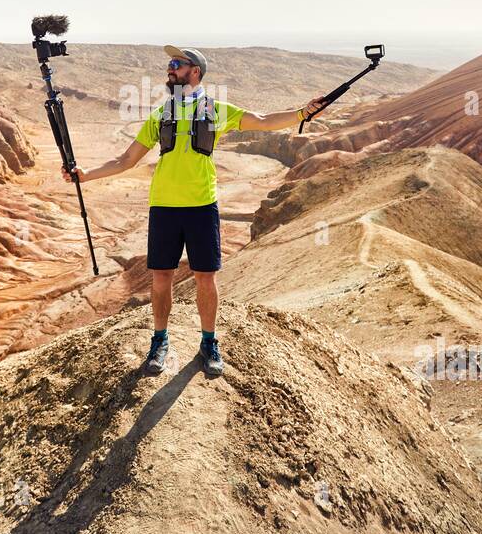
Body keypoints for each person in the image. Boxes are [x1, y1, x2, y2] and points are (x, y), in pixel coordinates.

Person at [61, 45, 325, 376]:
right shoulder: (161, 114)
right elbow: (125, 161)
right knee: (161, 277)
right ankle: (159, 341)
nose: (169, 70)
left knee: (205, 277)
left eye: (176, 65)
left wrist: (303, 113)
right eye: (169, 65)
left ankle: (209, 342)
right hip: (164, 207)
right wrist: (84, 176)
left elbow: (264, 121)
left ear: (194, 72)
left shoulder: (216, 109)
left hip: (202, 206)